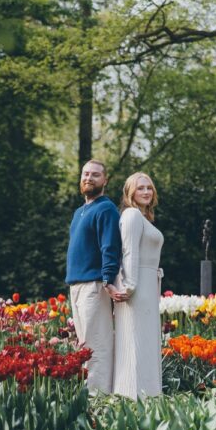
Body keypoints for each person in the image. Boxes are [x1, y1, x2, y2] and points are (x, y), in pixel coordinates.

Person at [65, 159, 122, 395]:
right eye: (86, 174)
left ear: (105, 180)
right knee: (84, 346)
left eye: (95, 175)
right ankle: (90, 394)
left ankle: (99, 399)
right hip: (77, 285)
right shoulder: (80, 212)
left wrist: (108, 279)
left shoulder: (106, 209)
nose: (89, 178)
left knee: (96, 345)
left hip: (95, 284)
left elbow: (110, 247)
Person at [111, 172, 164, 399]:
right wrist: (130, 286)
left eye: (149, 187)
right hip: (137, 285)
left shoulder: (143, 218)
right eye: (140, 188)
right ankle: (132, 396)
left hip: (148, 284)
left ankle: (150, 395)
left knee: (147, 341)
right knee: (135, 340)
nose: (145, 192)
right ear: (130, 192)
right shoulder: (132, 215)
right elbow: (129, 252)